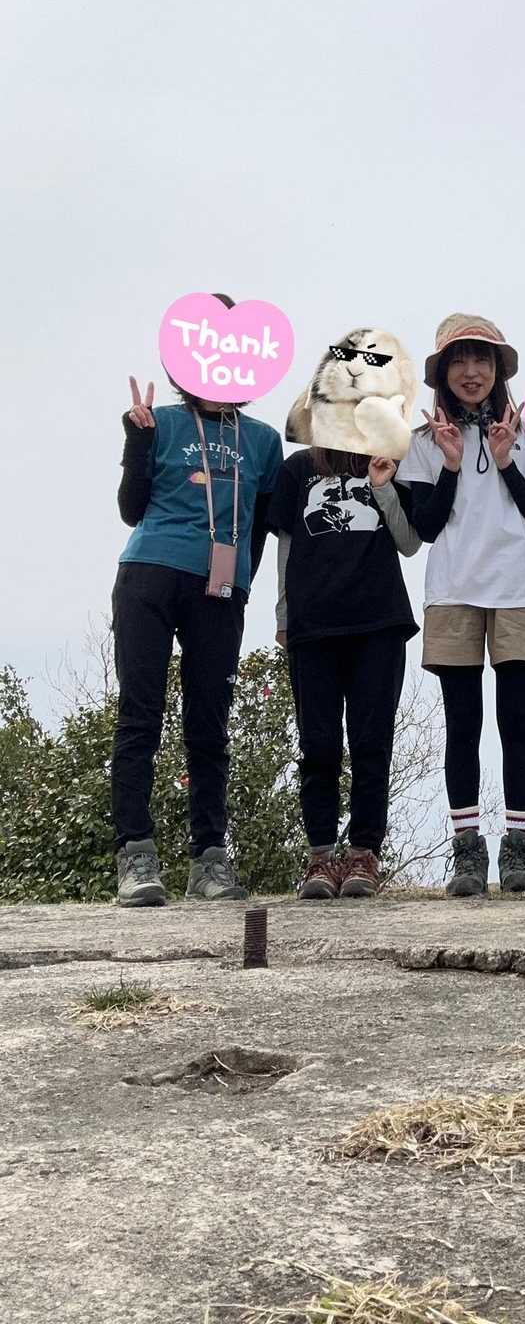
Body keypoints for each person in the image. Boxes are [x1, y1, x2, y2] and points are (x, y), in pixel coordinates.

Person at [111, 293, 284, 906]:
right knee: (141, 715)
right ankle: (135, 855)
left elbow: (263, 524)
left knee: (208, 724)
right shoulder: (158, 422)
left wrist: (239, 582)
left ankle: (209, 859)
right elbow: (131, 508)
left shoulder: (263, 440)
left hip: (219, 590)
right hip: (149, 575)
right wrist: (138, 440)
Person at [397, 313, 525, 897]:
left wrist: (506, 459)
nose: (471, 371)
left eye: (482, 360)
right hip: (452, 591)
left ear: (497, 369)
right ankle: (467, 853)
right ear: (442, 373)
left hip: (519, 590)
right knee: (462, 725)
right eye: (459, 361)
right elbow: (425, 528)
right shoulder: (422, 442)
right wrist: (450, 464)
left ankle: (517, 851)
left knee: (517, 721)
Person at [270, 341, 420, 901]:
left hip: (379, 621)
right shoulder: (296, 470)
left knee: (372, 741)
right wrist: (284, 613)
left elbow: (409, 542)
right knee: (318, 745)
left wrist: (383, 487)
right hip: (313, 624)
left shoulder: (390, 461)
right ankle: (319, 857)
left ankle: (363, 854)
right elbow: (287, 544)